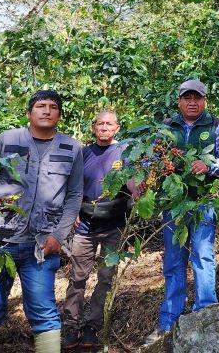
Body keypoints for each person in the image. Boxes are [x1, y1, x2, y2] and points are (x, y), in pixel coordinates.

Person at [0, 90, 83, 353]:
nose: (46, 111)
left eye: (53, 107)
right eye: (40, 106)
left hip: (41, 244)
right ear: (29, 112)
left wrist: (59, 235)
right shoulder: (8, 140)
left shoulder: (71, 147)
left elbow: (75, 193)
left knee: (43, 311)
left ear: (59, 114)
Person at [144, 80, 219, 345]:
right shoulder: (167, 128)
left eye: (197, 98)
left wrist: (208, 166)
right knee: (173, 259)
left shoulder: (215, 125)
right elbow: (151, 159)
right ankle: (169, 320)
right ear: (179, 101)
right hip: (173, 204)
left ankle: (205, 312)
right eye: (187, 98)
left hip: (203, 201)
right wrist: (162, 167)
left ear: (205, 100)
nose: (192, 102)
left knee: (203, 255)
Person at [62, 110, 131, 350]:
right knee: (78, 277)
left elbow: (133, 185)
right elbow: (73, 187)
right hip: (86, 226)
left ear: (117, 128)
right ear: (94, 128)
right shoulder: (83, 154)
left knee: (105, 278)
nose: (104, 127)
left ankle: (92, 325)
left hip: (114, 226)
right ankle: (72, 326)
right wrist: (72, 215)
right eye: (100, 123)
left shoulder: (125, 152)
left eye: (109, 123)